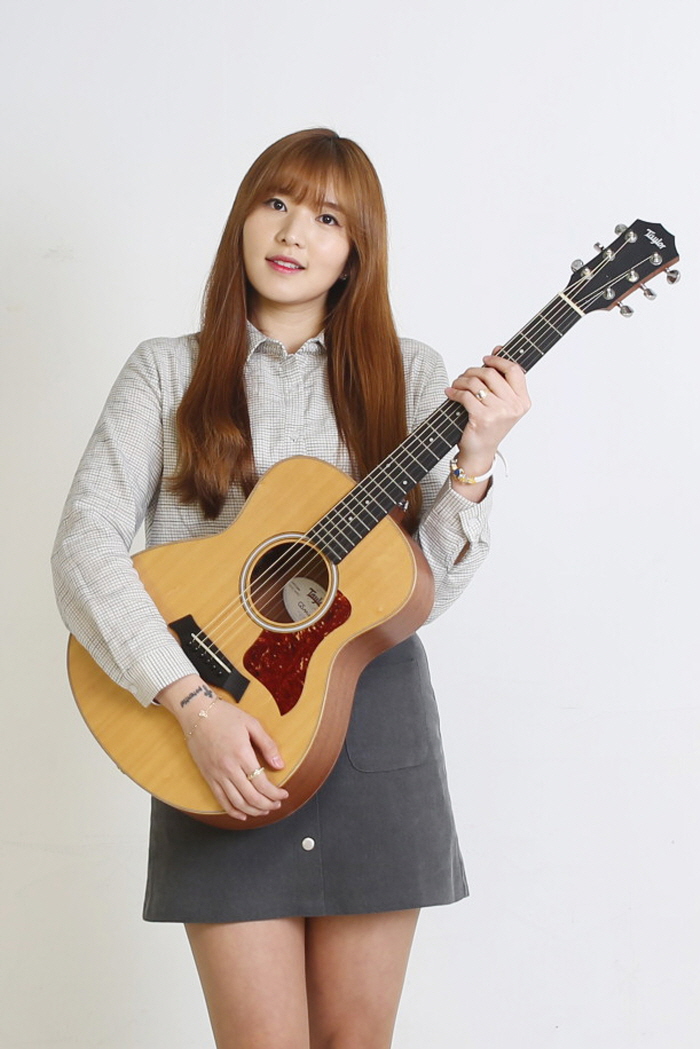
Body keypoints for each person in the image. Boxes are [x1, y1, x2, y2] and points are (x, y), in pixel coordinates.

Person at [52, 128, 530, 1049]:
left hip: (373, 734)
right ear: (243, 216)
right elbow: (83, 548)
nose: (293, 233)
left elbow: (420, 596)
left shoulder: (411, 373)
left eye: (327, 218)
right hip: (219, 731)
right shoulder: (166, 369)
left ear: (357, 251)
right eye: (276, 203)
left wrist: (473, 466)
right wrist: (190, 700)